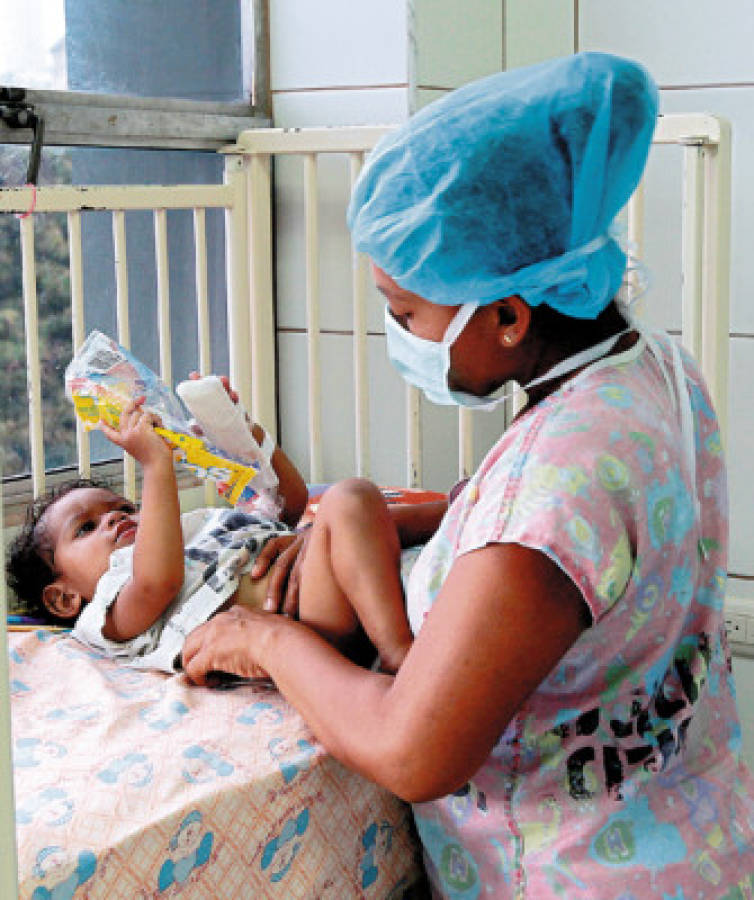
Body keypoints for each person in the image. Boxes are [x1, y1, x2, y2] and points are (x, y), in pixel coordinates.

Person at [180, 52, 754, 897]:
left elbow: (415, 753)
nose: (396, 332)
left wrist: (265, 638)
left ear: (511, 314)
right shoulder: (650, 371)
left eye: (406, 312)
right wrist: (404, 517)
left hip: (572, 876)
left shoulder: (555, 487)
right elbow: (575, 536)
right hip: (697, 838)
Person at [6, 389, 433, 674]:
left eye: (122, 508)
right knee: (347, 500)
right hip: (303, 621)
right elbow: (157, 581)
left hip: (322, 581)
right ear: (62, 598)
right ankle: (399, 656)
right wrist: (156, 466)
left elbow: (288, 502)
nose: (115, 519)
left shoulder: (202, 528)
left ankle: (464, 503)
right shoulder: (110, 605)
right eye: (86, 528)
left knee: (363, 509)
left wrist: (243, 431)